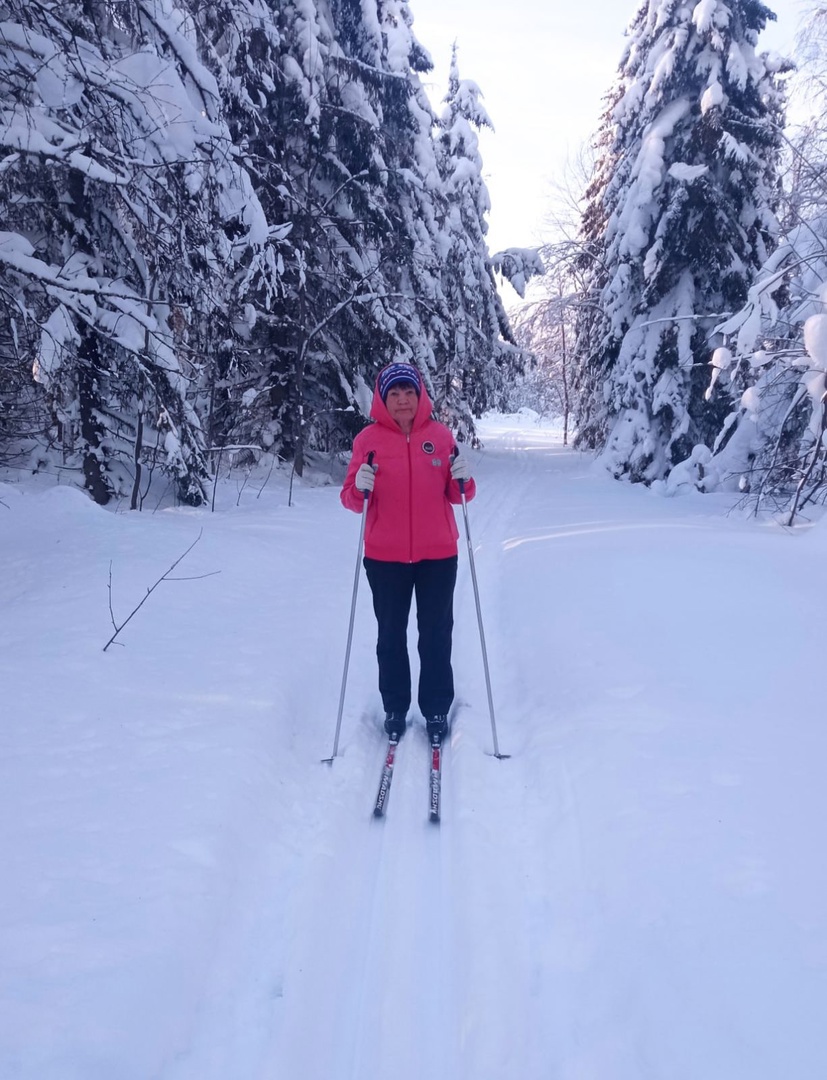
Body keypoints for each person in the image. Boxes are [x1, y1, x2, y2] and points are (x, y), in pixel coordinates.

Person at [340, 362, 475, 742]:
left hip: (438, 555)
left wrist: (464, 479)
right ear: (383, 399)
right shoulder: (367, 441)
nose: (403, 400)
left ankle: (436, 708)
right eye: (395, 394)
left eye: (409, 393)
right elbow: (351, 499)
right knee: (390, 636)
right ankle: (395, 707)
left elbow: (459, 494)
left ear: (420, 396)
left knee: (436, 635)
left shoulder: (440, 436)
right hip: (385, 557)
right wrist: (359, 486)